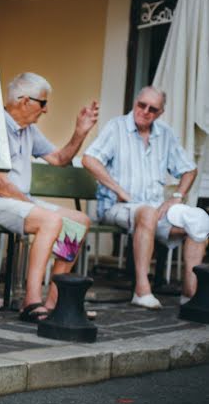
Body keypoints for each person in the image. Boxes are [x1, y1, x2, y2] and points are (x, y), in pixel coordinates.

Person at [0, 72, 99, 322]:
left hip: (15, 200)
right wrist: (36, 207)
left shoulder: (28, 130)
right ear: (25, 101)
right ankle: (31, 302)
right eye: (43, 103)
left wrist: (80, 132)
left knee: (79, 222)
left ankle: (56, 301)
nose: (46, 110)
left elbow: (59, 159)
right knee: (51, 221)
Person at [82, 86, 205, 308]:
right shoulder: (116, 127)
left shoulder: (165, 133)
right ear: (135, 102)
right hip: (117, 207)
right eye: (142, 105)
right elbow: (89, 160)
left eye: (153, 108)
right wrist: (119, 190)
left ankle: (191, 295)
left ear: (160, 113)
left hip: (155, 210)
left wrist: (176, 196)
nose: (145, 111)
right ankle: (142, 289)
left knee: (199, 220)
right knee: (147, 213)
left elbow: (189, 169)